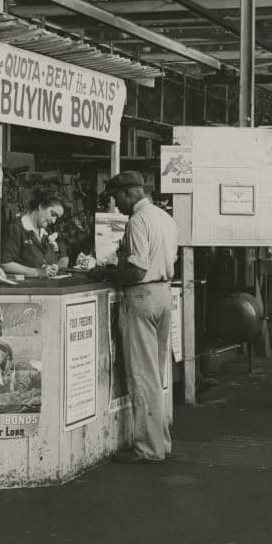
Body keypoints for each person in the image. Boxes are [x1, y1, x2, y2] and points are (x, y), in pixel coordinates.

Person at [100, 170, 178, 465]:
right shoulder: (165, 218)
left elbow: (136, 270)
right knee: (156, 373)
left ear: (130, 193)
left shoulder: (137, 221)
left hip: (142, 295)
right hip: (163, 294)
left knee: (142, 376)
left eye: (116, 197)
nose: (116, 204)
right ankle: (162, 442)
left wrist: (108, 272)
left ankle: (148, 448)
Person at [1, 185, 69, 279]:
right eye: (53, 214)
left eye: (57, 218)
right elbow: (5, 264)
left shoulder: (46, 233)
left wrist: (54, 267)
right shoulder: (16, 228)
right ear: (41, 206)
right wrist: (38, 272)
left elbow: (47, 262)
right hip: (24, 289)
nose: (54, 221)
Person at [0, 341, 42, 412]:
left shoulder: (21, 365)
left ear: (7, 354)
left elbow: (22, 394)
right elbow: (12, 395)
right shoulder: (5, 375)